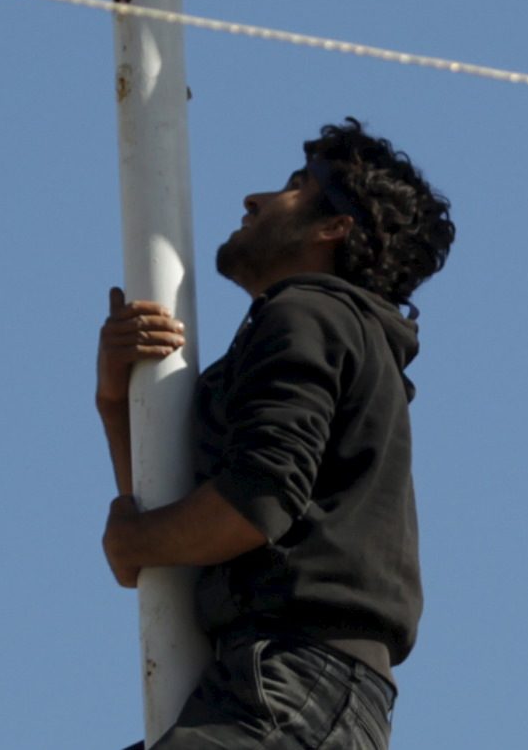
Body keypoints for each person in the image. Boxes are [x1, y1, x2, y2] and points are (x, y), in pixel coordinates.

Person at [96, 118, 455, 750]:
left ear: (333, 227)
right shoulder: (318, 329)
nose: (256, 199)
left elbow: (254, 501)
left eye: (294, 186)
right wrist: (117, 398)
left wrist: (136, 541)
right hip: (289, 688)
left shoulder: (308, 312)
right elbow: (183, 500)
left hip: (298, 682)